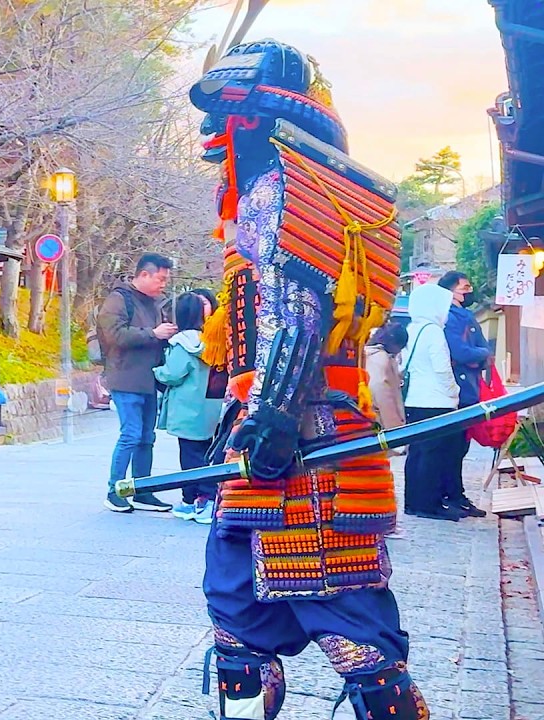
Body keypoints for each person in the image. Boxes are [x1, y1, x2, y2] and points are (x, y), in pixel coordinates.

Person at [189, 40, 429, 719]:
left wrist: (268, 419)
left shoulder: (286, 189)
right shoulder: (321, 190)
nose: (216, 140)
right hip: (292, 431)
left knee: (350, 621)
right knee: (236, 613)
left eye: (227, 123)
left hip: (300, 437)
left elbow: (293, 318)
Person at [96, 252, 177, 513]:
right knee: (130, 435)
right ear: (143, 274)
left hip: (149, 379)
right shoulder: (119, 299)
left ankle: (142, 490)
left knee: (146, 438)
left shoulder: (156, 303)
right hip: (125, 377)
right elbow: (114, 335)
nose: (163, 284)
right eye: (160, 278)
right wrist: (152, 333)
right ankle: (114, 490)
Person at [157, 291, 223, 524]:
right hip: (210, 407)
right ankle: (199, 499)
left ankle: (203, 499)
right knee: (207, 453)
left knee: (190, 456)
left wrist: (157, 372)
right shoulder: (212, 341)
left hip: (187, 409)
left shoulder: (182, 343)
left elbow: (173, 373)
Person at [402, 282, 464, 522]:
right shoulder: (434, 332)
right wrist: (454, 391)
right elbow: (442, 369)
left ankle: (413, 502)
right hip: (437, 401)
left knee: (417, 452)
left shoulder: (413, 328)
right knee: (435, 454)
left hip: (415, 399)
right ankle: (430, 504)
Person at [437, 271, 491, 517]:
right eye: (465, 287)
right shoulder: (451, 317)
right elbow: (462, 352)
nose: (470, 291)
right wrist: (481, 354)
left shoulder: (463, 315)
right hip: (459, 389)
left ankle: (455, 493)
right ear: (450, 291)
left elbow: (479, 349)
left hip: (468, 386)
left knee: (460, 446)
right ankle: (452, 494)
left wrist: (480, 354)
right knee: (453, 446)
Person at [364, 321, 408, 433]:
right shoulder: (381, 360)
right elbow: (382, 393)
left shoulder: (369, 354)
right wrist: (395, 429)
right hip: (384, 426)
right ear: (395, 344)